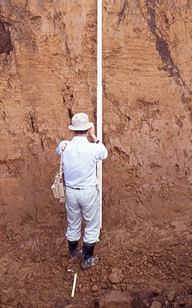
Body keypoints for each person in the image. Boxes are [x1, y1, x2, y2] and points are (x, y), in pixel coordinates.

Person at [56, 112, 108, 269]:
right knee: (92, 224)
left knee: (73, 223)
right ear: (88, 129)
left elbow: (59, 152)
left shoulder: (63, 146)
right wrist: (94, 136)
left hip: (71, 192)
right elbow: (104, 153)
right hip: (88, 192)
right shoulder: (93, 148)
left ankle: (73, 253)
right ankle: (87, 259)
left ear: (72, 131)